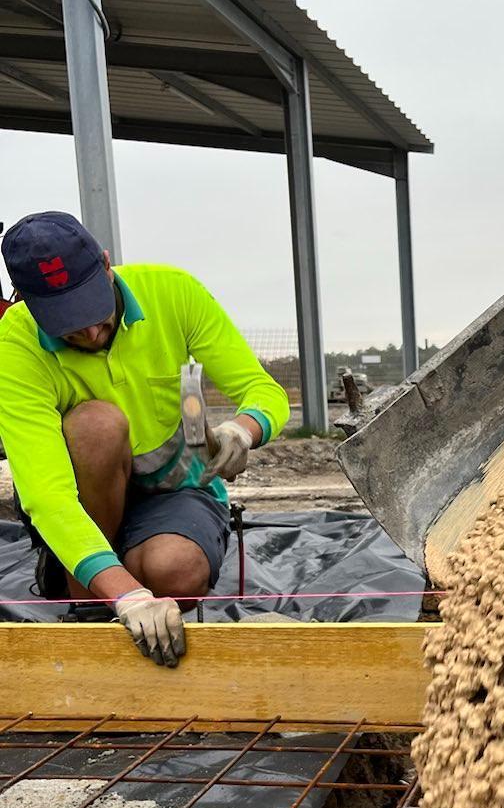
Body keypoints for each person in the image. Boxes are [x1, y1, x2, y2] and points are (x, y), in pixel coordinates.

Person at [0, 212, 289, 668]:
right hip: (86, 496)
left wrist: (244, 428)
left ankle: (84, 566)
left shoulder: (173, 292)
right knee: (96, 424)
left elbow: (263, 390)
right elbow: (48, 496)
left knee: (177, 570)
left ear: (107, 264)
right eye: (68, 323)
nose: (92, 334)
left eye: (94, 311)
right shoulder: (15, 344)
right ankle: (88, 610)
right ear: (25, 302)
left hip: (173, 489)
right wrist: (128, 596)